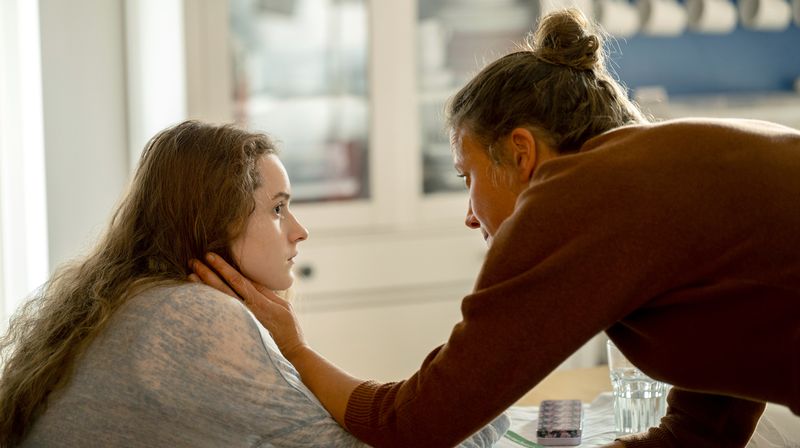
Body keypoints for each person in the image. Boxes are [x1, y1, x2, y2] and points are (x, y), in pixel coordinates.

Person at [191, 8, 800, 448]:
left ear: (521, 153)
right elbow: (704, 431)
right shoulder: (658, 176)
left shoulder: (580, 198)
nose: (469, 212)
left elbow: (413, 425)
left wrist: (292, 347)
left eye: (467, 175)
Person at [0, 121, 509, 447]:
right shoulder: (193, 318)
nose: (298, 230)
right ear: (217, 220)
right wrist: (489, 408)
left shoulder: (133, 302)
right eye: (277, 208)